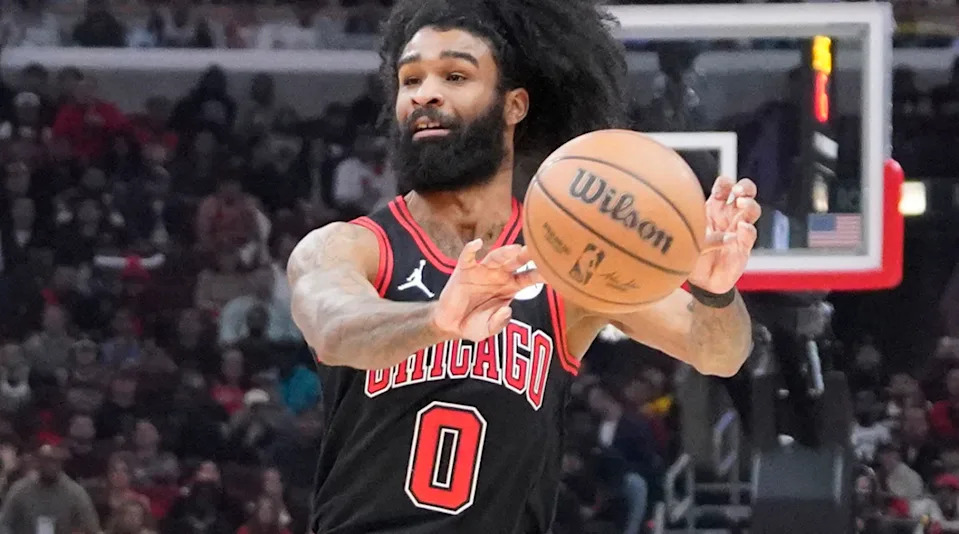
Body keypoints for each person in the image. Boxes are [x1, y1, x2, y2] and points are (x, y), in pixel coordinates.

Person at [287, 0, 761, 532]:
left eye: (455, 74)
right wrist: (437, 321)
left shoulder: (568, 263)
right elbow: (332, 328)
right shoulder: (353, 247)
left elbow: (718, 351)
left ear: (514, 105)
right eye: (410, 78)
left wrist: (716, 292)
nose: (425, 93)